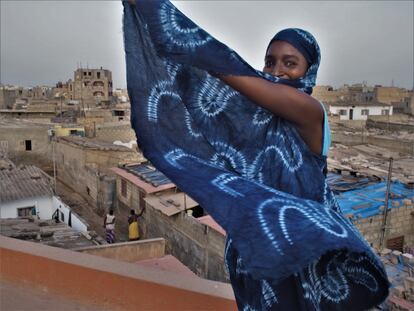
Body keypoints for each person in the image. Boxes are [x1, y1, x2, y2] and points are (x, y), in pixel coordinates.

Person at [123, 1, 389, 310]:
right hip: (262, 243)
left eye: (290, 64)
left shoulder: (310, 112)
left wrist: (165, 23)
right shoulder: (255, 120)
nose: (277, 71)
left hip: (302, 242)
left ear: (309, 71)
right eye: (269, 62)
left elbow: (228, 74)